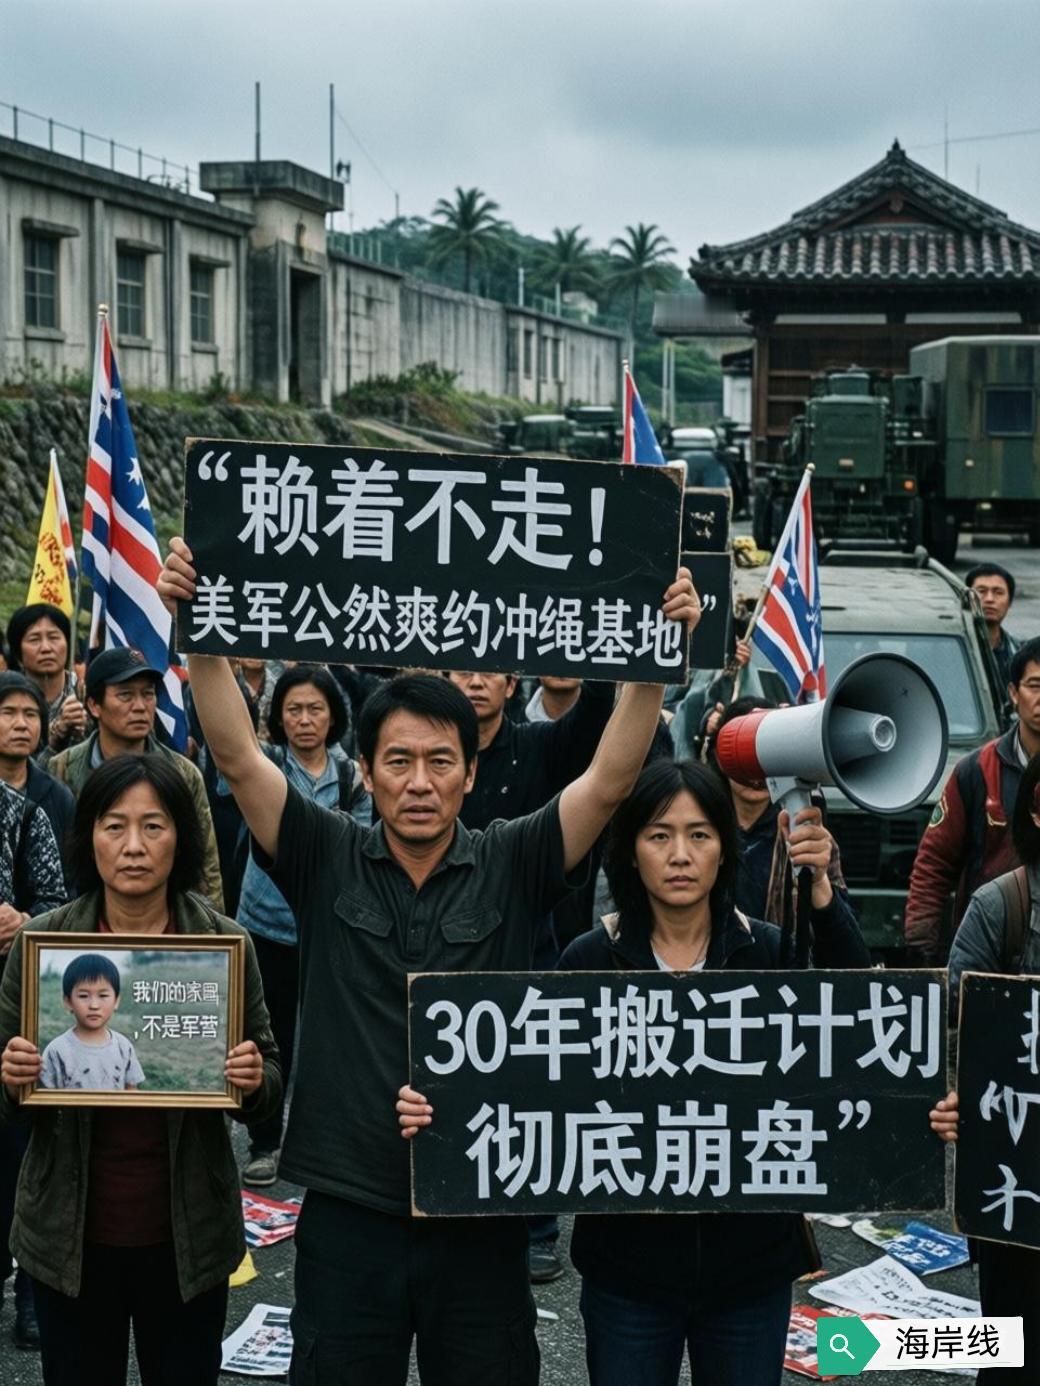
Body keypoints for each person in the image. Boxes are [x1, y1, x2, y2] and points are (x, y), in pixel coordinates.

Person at [158, 533, 698, 1386]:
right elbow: (234, 754)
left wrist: (653, 662)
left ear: (470, 771)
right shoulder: (321, 851)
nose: (419, 781)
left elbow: (608, 780)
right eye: (398, 762)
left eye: (439, 762)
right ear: (365, 772)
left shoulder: (514, 861)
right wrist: (198, 626)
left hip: (478, 1209)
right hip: (348, 1206)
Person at [399, 758, 870, 1385]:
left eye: (700, 835)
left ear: (726, 851)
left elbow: (866, 1021)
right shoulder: (590, 961)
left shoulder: (769, 952)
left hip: (750, 1273)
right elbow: (526, 1091)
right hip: (628, 1277)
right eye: (659, 835)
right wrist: (442, 1106)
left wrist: (824, 899)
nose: (680, 854)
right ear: (631, 852)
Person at [0, 753, 281, 1386]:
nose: (133, 846)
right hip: (69, 1239)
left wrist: (254, 1079)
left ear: (180, 837)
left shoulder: (225, 945)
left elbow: (272, 1083)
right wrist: (11, 1078)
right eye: (114, 826)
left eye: (153, 826)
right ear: (88, 836)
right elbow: (4, 1098)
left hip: (186, 1240)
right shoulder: (40, 946)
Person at [237, 664, 372, 1187]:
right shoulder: (265, 765)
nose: (304, 719)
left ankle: (330, 1143)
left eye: (315, 708)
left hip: (329, 927)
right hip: (266, 926)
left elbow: (356, 847)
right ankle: (266, 1142)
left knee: (332, 1038)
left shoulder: (350, 776)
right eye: (293, 708)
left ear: (333, 714)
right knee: (271, 1036)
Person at [930, 752, 1040, 1383]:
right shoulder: (1004, 904)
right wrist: (955, 1095)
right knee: (1010, 1346)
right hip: (1016, 1178)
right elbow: (955, 1016)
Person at [46, 646, 225, 912]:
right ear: (94, 705)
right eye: (126, 695)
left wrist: (210, 935)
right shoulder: (62, 769)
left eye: (148, 694)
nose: (140, 706)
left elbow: (205, 866)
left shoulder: (183, 774)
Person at [905, 636, 1040, 965]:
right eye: (1035, 685)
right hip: (989, 944)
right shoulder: (977, 770)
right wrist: (922, 952)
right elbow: (933, 865)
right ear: (1012, 693)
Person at [706, 696, 859, 941]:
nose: (755, 772)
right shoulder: (700, 829)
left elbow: (845, 947)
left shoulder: (808, 837)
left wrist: (819, 883)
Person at [0, 672, 75, 886]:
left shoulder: (59, 797)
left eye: (31, 714)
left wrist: (27, 918)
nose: (21, 724)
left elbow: (71, 883)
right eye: (8, 712)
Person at [39, 954, 144, 1091]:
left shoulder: (123, 1047)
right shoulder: (56, 1050)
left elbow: (132, 1090)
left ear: (116, 1001)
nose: (94, 1005)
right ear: (68, 1002)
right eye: (83, 996)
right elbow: (43, 1098)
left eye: (103, 995)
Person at [5, 604, 87, 756]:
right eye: (34, 639)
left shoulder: (88, 696)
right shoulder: (5, 697)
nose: (46, 648)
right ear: (18, 654)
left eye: (54, 637)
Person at [966, 562, 1020, 692]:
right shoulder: (955, 648)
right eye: (981, 591)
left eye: (998, 592)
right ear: (967, 598)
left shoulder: (1019, 652)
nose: (989, 599)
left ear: (1009, 602)